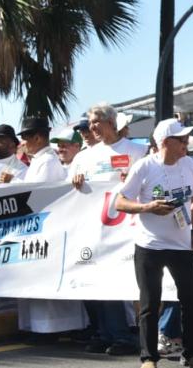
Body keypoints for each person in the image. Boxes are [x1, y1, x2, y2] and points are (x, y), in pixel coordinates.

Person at [114, 118, 193, 368]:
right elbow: (120, 202)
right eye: (182, 140)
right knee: (149, 304)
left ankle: (191, 354)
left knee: (191, 301)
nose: (186, 144)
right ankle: (148, 358)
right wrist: (147, 207)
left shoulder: (189, 164)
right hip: (150, 246)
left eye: (187, 139)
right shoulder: (144, 167)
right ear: (166, 142)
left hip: (181, 245)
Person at [67, 103, 145, 356]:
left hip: (126, 228)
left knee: (119, 282)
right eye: (90, 124)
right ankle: (105, 333)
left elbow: (150, 181)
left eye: (96, 122)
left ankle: (124, 335)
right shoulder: (83, 157)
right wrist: (75, 182)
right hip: (93, 228)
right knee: (96, 280)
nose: (91, 128)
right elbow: (67, 189)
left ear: (111, 122)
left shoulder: (136, 150)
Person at [15, 117, 89, 338]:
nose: (24, 143)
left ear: (37, 137)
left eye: (26, 138)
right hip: (36, 229)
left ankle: (53, 328)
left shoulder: (47, 161)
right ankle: (43, 327)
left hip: (45, 229)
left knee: (45, 281)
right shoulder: (40, 160)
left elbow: (38, 194)